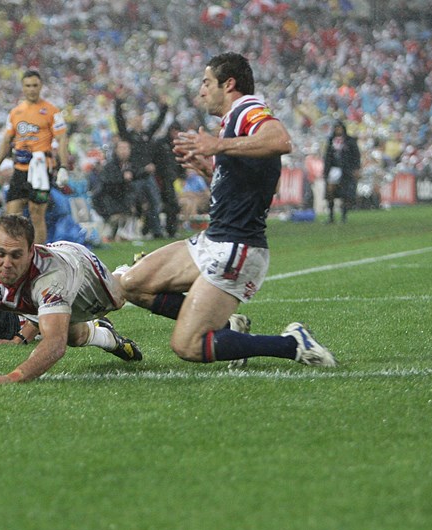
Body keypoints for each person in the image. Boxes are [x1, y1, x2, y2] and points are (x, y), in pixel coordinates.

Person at [119, 52, 337, 368]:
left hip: (238, 246)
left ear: (229, 83)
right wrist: (210, 169)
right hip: (214, 239)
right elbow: (265, 187)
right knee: (132, 283)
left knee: (188, 345)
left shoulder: (247, 109)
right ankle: (228, 329)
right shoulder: (231, 124)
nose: (202, 91)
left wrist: (218, 147)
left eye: (207, 83)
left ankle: (292, 344)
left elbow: (280, 139)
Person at [0, 214, 143, 385]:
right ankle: (108, 337)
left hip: (78, 266)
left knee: (121, 296)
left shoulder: (51, 276)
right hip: (35, 294)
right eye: (0, 254)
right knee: (74, 337)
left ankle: (132, 270)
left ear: (31, 251)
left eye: (16, 255)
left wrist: (13, 378)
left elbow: (54, 345)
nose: (6, 263)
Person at [0, 70, 69, 245]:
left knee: (36, 214)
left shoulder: (51, 111)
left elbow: (62, 138)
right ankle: (15, 252)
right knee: (11, 216)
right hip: (20, 169)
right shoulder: (16, 112)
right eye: (28, 86)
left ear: (40, 86)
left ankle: (39, 256)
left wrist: (63, 166)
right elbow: (6, 141)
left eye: (35, 85)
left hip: (41, 169)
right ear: (22, 88)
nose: (32, 89)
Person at [114, 93, 168, 238]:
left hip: (148, 176)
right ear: (131, 122)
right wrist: (118, 102)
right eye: (136, 120)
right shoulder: (128, 136)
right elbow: (119, 121)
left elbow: (158, 124)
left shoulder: (146, 135)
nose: (139, 122)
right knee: (134, 205)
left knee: (155, 203)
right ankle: (133, 231)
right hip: (135, 176)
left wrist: (164, 107)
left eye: (140, 119)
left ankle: (156, 231)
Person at [91, 139, 138, 240]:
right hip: (107, 203)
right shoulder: (110, 167)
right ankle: (112, 233)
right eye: (121, 148)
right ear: (116, 150)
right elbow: (107, 188)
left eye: (126, 148)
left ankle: (121, 233)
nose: (124, 151)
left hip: (122, 203)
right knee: (118, 218)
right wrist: (123, 178)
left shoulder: (131, 166)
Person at [323, 120, 361, 224]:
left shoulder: (350, 141)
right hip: (334, 169)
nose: (337, 130)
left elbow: (356, 156)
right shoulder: (331, 141)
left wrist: (356, 168)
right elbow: (327, 157)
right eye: (336, 128)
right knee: (330, 191)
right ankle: (331, 216)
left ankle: (344, 216)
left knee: (345, 194)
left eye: (339, 128)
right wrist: (326, 170)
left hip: (346, 170)